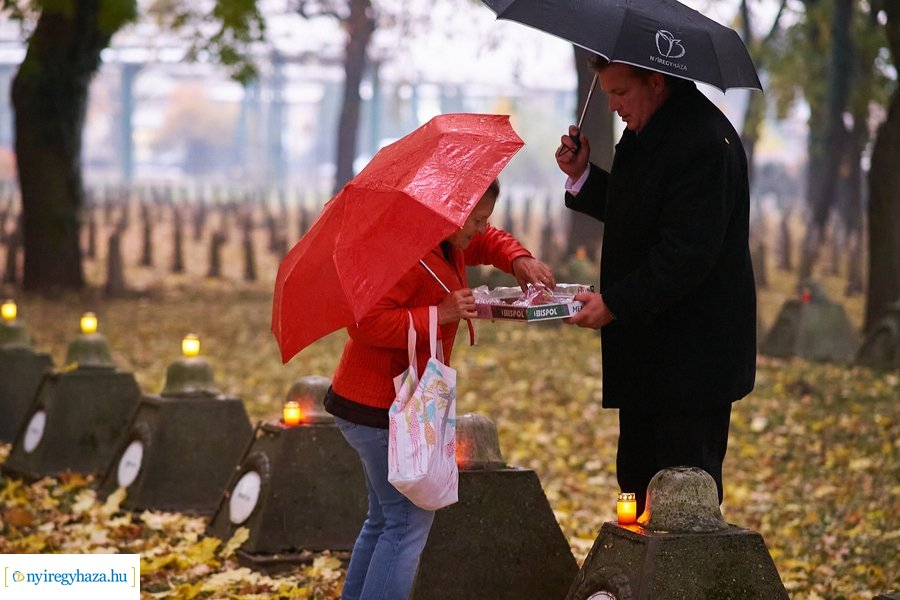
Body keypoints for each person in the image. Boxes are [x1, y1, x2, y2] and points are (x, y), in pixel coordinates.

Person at [323, 178, 553, 600]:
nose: (482, 228)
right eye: (477, 218)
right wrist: (439, 313)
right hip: (378, 405)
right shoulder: (402, 251)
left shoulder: (444, 238)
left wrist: (518, 258)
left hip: (381, 403)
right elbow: (364, 323)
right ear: (451, 210)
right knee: (407, 524)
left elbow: (484, 243)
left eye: (486, 218)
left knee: (383, 519)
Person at [555, 56, 757, 517]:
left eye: (620, 93)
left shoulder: (705, 141)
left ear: (657, 80)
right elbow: (640, 211)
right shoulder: (652, 129)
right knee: (637, 484)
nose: (612, 107)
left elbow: (686, 252)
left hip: (692, 364)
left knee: (682, 500)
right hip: (648, 353)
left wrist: (614, 303)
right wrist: (583, 175)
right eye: (606, 94)